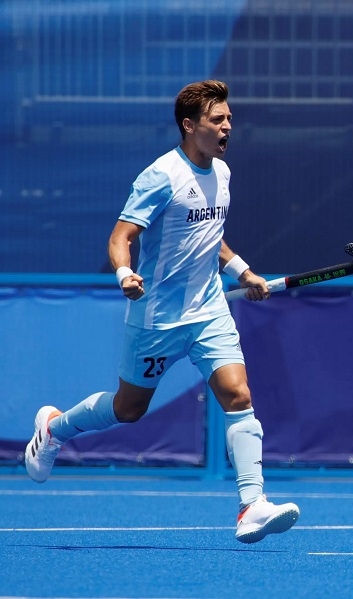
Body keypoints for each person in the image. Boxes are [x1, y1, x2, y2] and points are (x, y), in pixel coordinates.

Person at [24, 80, 300, 544]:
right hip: (156, 319)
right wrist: (124, 274)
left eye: (229, 119)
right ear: (189, 125)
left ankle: (252, 505)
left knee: (237, 395)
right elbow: (121, 236)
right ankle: (54, 428)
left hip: (209, 310)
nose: (227, 127)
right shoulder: (160, 176)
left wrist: (244, 272)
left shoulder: (223, 173)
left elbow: (210, 237)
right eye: (217, 119)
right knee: (128, 408)